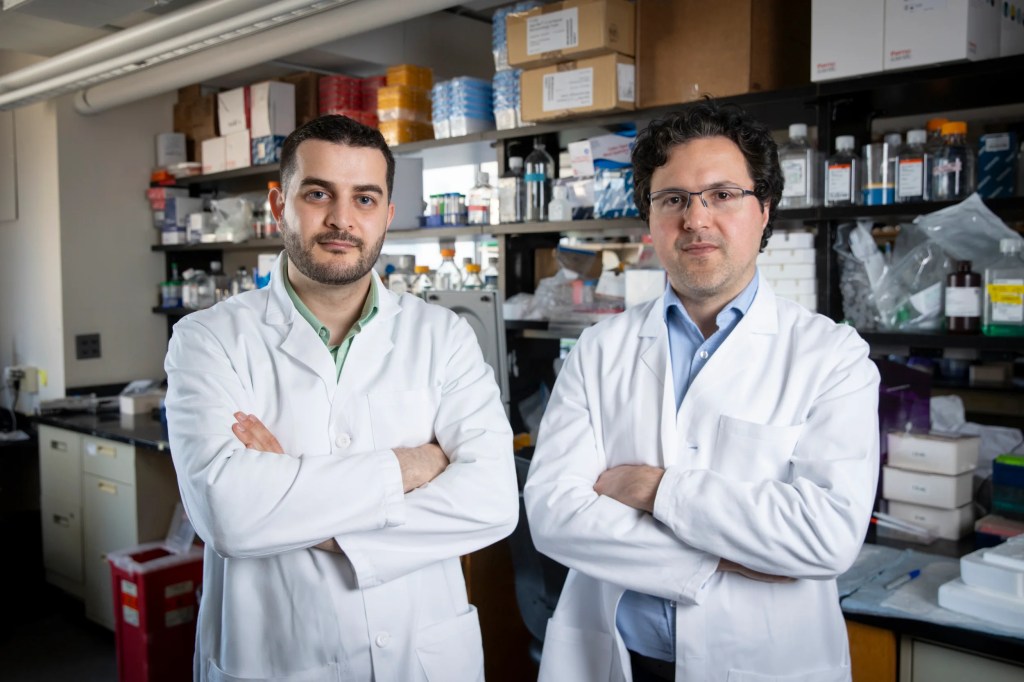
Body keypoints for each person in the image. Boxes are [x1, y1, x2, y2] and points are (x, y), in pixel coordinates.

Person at [524, 101, 880, 682]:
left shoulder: (833, 358)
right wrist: (729, 555)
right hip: (619, 658)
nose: (696, 218)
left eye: (722, 194)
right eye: (674, 199)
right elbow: (554, 514)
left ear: (764, 211)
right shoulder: (598, 349)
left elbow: (827, 537)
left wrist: (653, 488)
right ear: (651, 219)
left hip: (763, 662)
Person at [164, 114, 518, 682]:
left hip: (422, 657)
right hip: (276, 656)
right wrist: (415, 464)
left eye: (365, 198)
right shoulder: (208, 340)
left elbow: (494, 500)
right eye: (318, 193)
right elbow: (228, 515)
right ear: (279, 203)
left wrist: (298, 504)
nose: (341, 219)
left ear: (387, 215)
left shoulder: (443, 335)